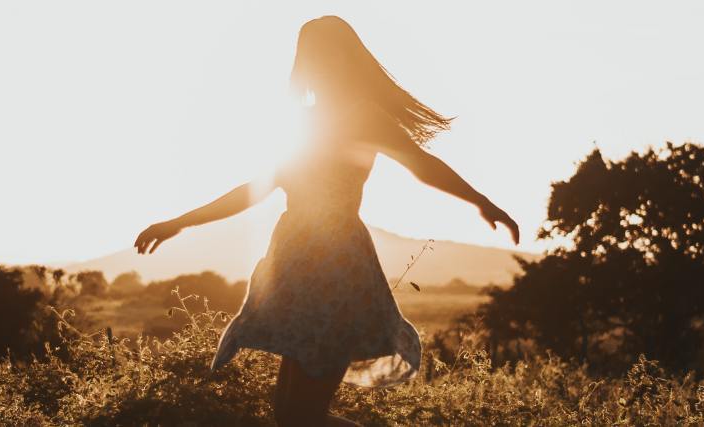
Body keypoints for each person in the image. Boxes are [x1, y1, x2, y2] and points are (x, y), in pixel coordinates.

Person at [134, 15, 519, 426]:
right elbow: (255, 189)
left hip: (338, 270)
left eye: (321, 56)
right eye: (308, 57)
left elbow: (422, 166)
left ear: (342, 60)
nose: (312, 65)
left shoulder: (363, 116)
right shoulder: (301, 120)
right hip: (294, 270)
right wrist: (179, 222)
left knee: (302, 416)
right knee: (290, 417)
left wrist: (480, 201)